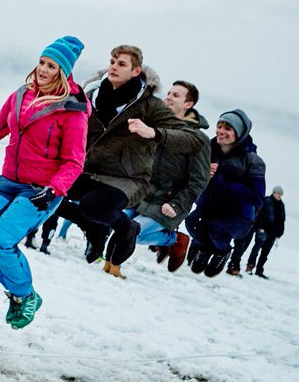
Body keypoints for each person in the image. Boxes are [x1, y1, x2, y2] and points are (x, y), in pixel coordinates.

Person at [0, 37, 88, 329]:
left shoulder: (72, 110)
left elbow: (74, 161)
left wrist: (54, 191)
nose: (43, 70)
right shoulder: (21, 95)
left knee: (0, 239)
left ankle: (24, 294)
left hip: (40, 191)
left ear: (63, 72)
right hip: (8, 181)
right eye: (42, 62)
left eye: (52, 66)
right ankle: (18, 289)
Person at [56, 46, 184, 267]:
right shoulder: (92, 95)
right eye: (112, 61)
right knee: (40, 189)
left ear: (136, 71)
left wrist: (153, 132)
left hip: (127, 178)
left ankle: (127, 228)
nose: (113, 67)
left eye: (121, 64)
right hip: (88, 169)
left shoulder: (150, 105)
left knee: (94, 206)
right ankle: (91, 227)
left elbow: (186, 135)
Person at [118, 80, 210, 277]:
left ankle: (174, 240)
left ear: (189, 104)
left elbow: (199, 181)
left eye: (176, 95)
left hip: (167, 202)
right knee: (115, 223)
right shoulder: (153, 125)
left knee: (135, 234)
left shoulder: (197, 139)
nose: (168, 97)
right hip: (141, 195)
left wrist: (176, 205)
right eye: (169, 93)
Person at [184, 110, 266, 278]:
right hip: (208, 208)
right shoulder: (207, 150)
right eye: (219, 126)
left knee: (217, 230)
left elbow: (257, 198)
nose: (221, 131)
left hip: (238, 215)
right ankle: (205, 249)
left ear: (239, 133)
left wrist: (220, 178)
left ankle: (222, 252)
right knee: (192, 222)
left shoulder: (252, 161)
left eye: (227, 128)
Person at [246, 185, 284, 278]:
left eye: (281, 194)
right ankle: (250, 266)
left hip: (273, 232)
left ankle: (259, 270)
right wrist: (260, 227)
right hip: (263, 230)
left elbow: (282, 220)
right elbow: (260, 215)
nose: (279, 195)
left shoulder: (281, 205)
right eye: (278, 193)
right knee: (256, 248)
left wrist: (280, 232)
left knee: (265, 252)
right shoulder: (266, 200)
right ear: (274, 192)